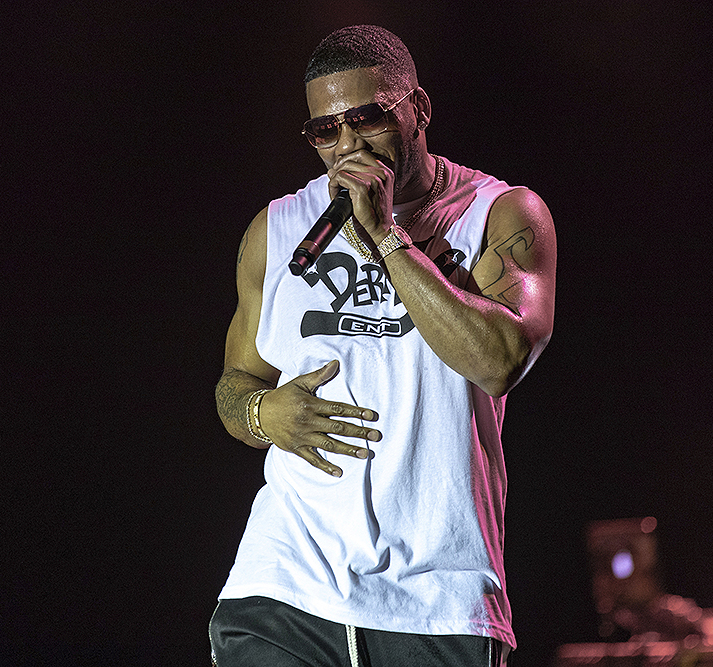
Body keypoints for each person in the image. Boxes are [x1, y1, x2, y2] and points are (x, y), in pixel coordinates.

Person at [210, 25, 556, 667]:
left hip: (436, 596)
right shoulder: (280, 228)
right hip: (287, 581)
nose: (346, 147)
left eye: (366, 120)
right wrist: (267, 415)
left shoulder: (500, 215)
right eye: (324, 131)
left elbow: (502, 361)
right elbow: (235, 385)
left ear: (419, 108)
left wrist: (387, 238)